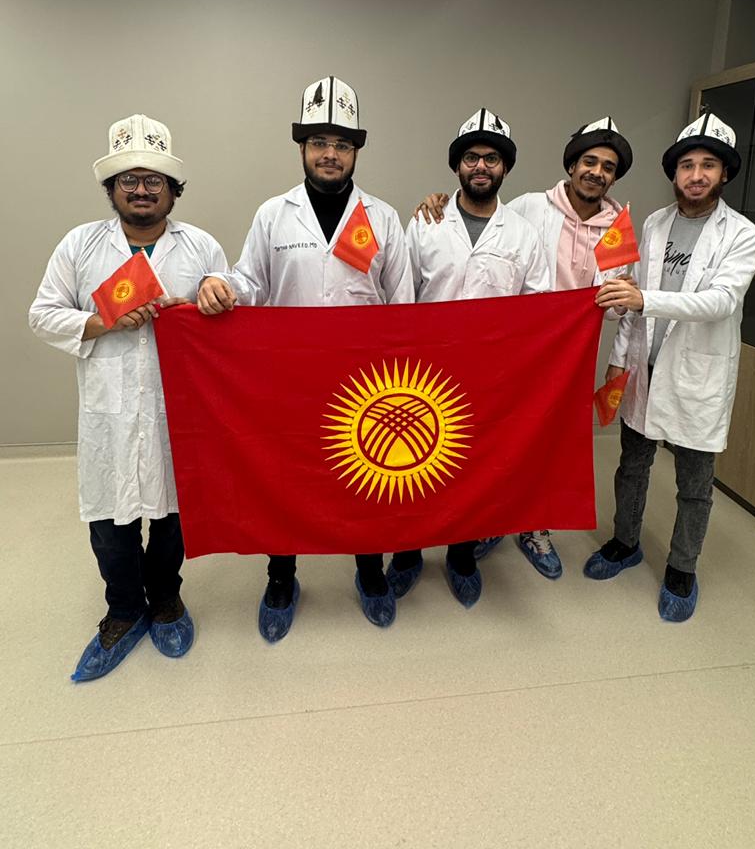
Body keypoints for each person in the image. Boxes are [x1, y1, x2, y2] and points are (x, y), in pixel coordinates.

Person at [197, 76, 413, 641]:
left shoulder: (383, 218)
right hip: (288, 377)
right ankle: (281, 577)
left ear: (356, 151)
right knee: (284, 478)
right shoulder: (274, 214)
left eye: (341, 144)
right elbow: (250, 280)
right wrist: (221, 286)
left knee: (369, 478)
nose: (329, 154)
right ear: (302, 147)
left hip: (366, 382)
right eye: (319, 142)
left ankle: (370, 571)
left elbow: (403, 305)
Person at [29, 115, 228, 681]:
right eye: (129, 180)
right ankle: (122, 610)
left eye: (153, 180)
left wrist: (218, 289)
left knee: (172, 517)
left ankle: (165, 602)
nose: (141, 190)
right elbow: (42, 314)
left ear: (173, 189)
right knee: (109, 522)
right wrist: (101, 321)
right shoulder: (81, 244)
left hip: (177, 410)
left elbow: (230, 300)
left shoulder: (200, 247)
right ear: (112, 188)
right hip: (109, 412)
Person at [417, 116, 634, 578]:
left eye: (608, 167)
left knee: (545, 443)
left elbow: (615, 304)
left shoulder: (620, 228)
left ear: (614, 177)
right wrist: (437, 201)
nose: (596, 172)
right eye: (589, 161)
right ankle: (490, 519)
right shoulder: (532, 208)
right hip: (514, 349)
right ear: (572, 165)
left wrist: (622, 299)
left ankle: (534, 527)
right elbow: (479, 211)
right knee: (493, 444)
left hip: (566, 351)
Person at [587, 113, 755, 621]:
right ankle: (626, 542)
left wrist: (644, 299)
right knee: (632, 465)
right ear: (674, 172)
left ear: (724, 173)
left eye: (708, 165)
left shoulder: (744, 235)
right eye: (687, 165)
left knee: (694, 483)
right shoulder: (654, 224)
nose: (696, 175)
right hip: (644, 368)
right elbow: (632, 299)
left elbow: (721, 301)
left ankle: (682, 567)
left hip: (696, 378)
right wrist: (618, 361)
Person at [386, 109, 549, 607]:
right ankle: (407, 554)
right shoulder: (425, 222)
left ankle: (461, 556)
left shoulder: (523, 234)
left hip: (490, 377)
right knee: (412, 467)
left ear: (505, 167)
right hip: (424, 373)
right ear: (457, 165)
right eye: (472, 157)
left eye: (492, 158)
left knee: (472, 470)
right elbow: (402, 294)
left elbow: (539, 308)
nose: (481, 166)